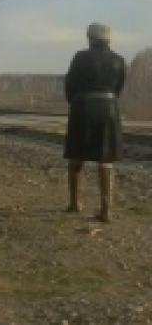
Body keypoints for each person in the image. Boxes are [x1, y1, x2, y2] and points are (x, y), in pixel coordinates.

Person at [63, 22, 125, 223]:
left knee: (77, 155)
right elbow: (118, 89)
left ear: (90, 38)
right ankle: (106, 209)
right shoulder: (119, 59)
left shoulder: (80, 57)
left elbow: (70, 84)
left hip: (82, 106)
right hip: (109, 108)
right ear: (109, 39)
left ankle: (75, 203)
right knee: (105, 158)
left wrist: (75, 100)